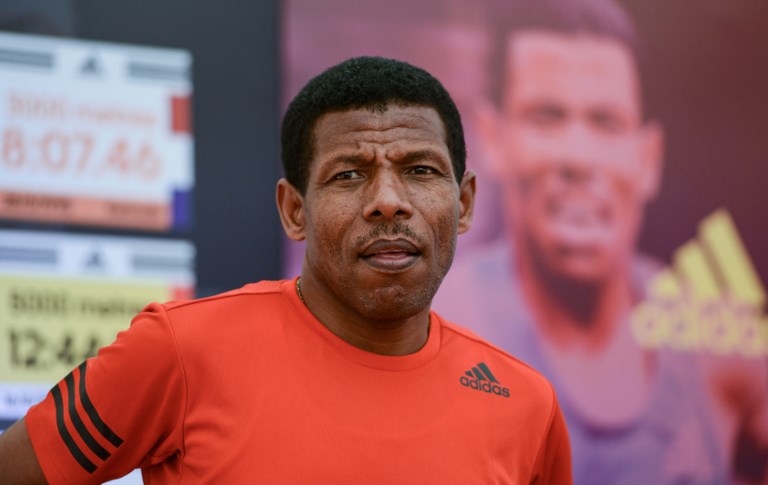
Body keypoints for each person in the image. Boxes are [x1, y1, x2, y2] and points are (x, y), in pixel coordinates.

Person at [0, 56, 572, 484]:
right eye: (348, 174)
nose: (389, 201)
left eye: (421, 170)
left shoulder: (527, 405)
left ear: (464, 203)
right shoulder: (178, 349)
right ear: (294, 210)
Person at [432, 0, 767, 483]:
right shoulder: (428, 333)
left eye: (605, 122)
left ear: (648, 158)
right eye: (547, 117)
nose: (578, 157)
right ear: (493, 138)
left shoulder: (720, 346)